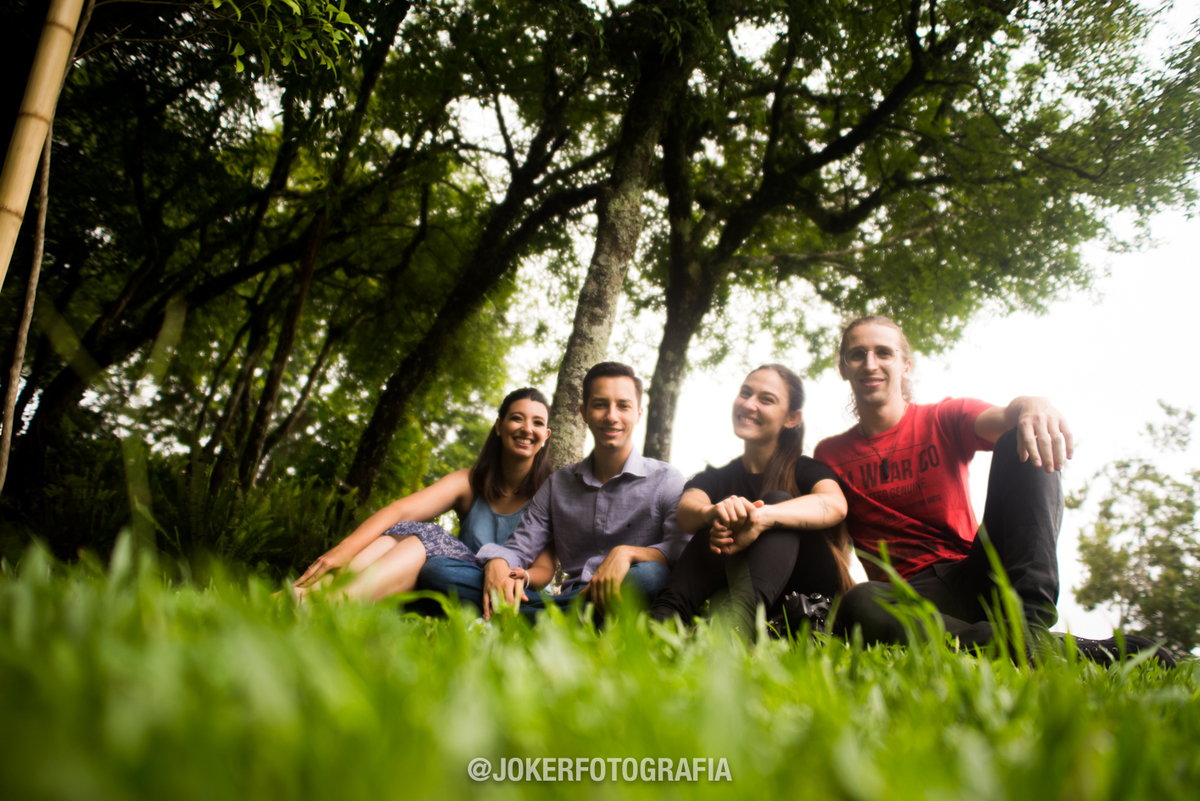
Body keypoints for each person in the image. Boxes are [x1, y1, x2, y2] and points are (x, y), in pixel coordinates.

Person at [815, 315, 1174, 667]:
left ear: (905, 366)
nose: (870, 363)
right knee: (862, 601)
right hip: (910, 595)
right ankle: (1036, 648)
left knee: (1019, 439)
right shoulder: (829, 455)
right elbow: (838, 544)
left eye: (884, 352)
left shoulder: (943, 417)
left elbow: (1008, 417)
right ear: (844, 368)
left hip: (977, 571)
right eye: (857, 354)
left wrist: (1033, 404)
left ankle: (1031, 623)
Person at [418, 362, 690, 619]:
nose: (611, 416)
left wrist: (629, 553)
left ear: (638, 413)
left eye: (623, 406)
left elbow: (681, 551)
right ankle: (561, 619)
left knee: (651, 576)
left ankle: (534, 619)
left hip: (625, 592)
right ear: (583, 412)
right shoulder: (558, 484)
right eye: (600, 405)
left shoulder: (666, 479)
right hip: (571, 598)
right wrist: (498, 562)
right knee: (439, 570)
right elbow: (520, 547)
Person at [292, 388, 558, 603]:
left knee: (428, 536)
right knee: (405, 534)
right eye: (517, 418)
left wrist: (514, 575)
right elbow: (400, 511)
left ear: (545, 436)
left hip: (508, 591)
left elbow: (545, 570)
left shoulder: (549, 494)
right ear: (499, 426)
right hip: (451, 579)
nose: (526, 428)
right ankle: (303, 594)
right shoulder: (470, 480)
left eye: (537, 422)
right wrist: (343, 551)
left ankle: (329, 603)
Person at [651, 365, 853, 636]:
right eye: (745, 393)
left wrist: (761, 517)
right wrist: (714, 512)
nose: (748, 404)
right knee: (721, 516)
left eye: (765, 399)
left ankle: (738, 628)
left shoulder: (806, 470)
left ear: (792, 418)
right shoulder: (716, 477)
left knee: (778, 502)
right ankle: (661, 624)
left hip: (809, 603)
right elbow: (687, 513)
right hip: (747, 597)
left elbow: (835, 505)